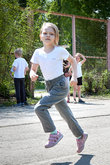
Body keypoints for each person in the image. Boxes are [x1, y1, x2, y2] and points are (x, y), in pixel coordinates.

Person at [30, 22, 88, 153]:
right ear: (40, 36)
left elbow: (73, 60)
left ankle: (54, 133)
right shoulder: (37, 52)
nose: (48, 36)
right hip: (49, 85)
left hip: (61, 84)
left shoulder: (59, 50)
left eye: (51, 34)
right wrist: (32, 74)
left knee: (39, 107)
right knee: (65, 113)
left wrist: (73, 77)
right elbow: (33, 69)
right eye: (45, 33)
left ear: (55, 37)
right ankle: (81, 135)